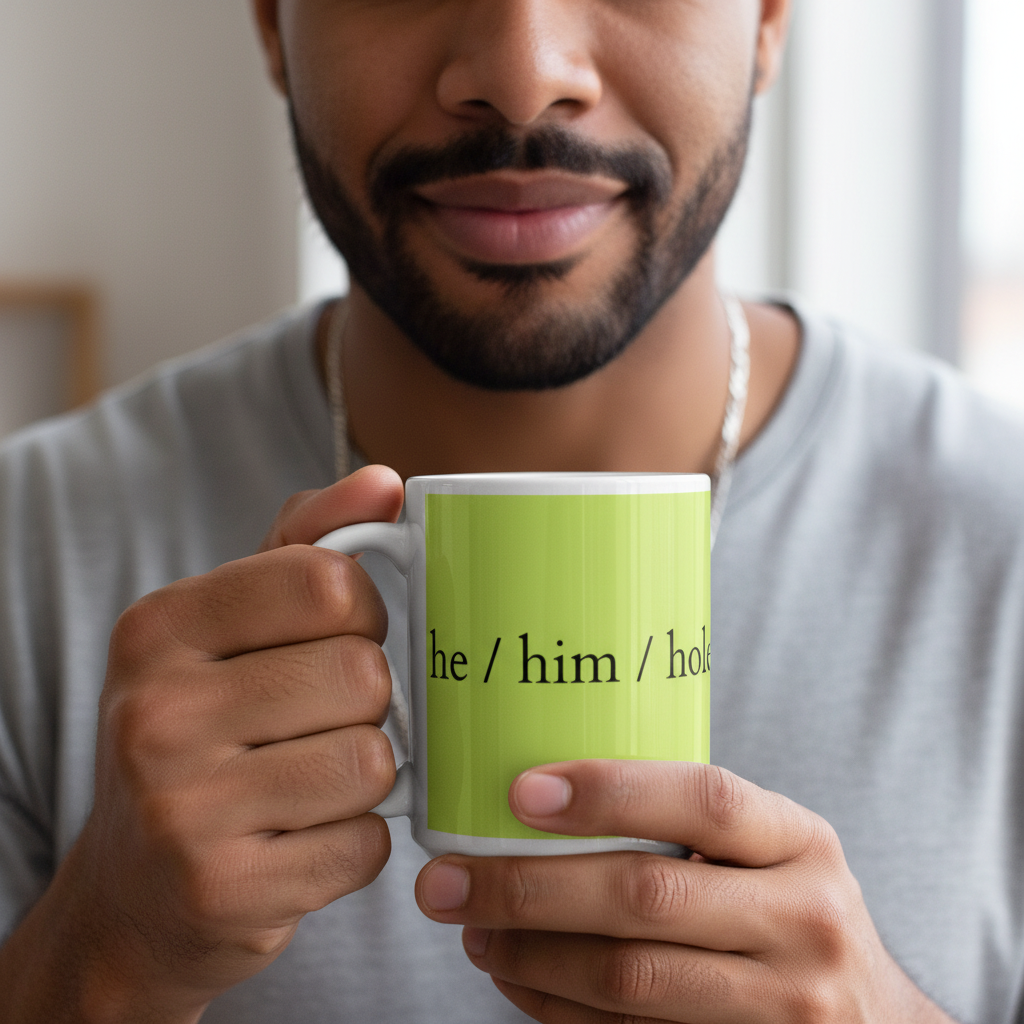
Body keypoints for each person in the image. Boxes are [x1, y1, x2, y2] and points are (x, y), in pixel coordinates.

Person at [1, 0, 1023, 1020]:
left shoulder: (1001, 537)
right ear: (272, 26)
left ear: (765, 19)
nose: (524, 75)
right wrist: (105, 956)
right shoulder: (27, 554)